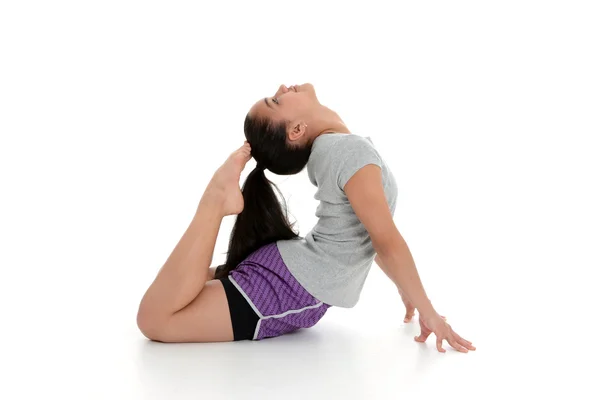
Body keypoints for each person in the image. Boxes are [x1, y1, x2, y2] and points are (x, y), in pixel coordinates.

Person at [136, 83, 475, 353]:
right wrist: (427, 308)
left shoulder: (338, 151)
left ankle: (216, 201)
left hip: (290, 272)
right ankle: (215, 200)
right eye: (276, 100)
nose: (283, 87)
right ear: (297, 129)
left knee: (175, 296)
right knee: (156, 319)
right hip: (291, 286)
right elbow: (385, 243)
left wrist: (408, 289)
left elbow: (368, 238)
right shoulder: (346, 151)